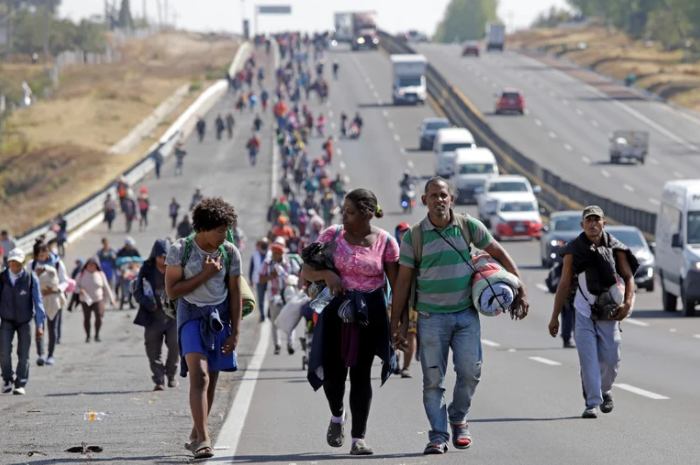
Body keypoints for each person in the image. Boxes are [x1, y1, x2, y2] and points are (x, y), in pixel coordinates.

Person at [391, 177, 530, 455]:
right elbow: (403, 283)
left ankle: (458, 416)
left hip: (465, 314)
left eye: (443, 195)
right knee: (433, 380)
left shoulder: (469, 226)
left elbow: (498, 252)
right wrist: (398, 323)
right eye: (433, 196)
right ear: (424, 201)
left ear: (451, 198)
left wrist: (521, 287)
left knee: (470, 373)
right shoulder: (414, 236)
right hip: (431, 318)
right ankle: (438, 435)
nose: (438, 200)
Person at [301, 189, 400, 456]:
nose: (344, 216)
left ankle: (359, 438)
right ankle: (337, 416)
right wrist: (326, 275)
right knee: (334, 377)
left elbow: (396, 285)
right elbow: (306, 270)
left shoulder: (387, 242)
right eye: (343, 210)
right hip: (335, 313)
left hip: (368, 315)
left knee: (360, 375)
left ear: (368, 213)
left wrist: (398, 322)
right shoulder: (332, 235)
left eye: (350, 211)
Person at [165, 197, 243, 460]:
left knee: (211, 379)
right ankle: (205, 439)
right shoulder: (180, 249)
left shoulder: (230, 252)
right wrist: (205, 275)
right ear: (203, 228)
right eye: (219, 230)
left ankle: (196, 432)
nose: (224, 235)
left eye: (226, 229)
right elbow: (172, 291)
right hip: (191, 317)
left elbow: (234, 294)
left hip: (219, 318)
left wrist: (235, 332)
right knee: (199, 375)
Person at [549, 206, 637, 419]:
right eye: (588, 220)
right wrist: (554, 317)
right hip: (583, 312)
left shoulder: (616, 247)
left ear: (603, 223)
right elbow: (564, 283)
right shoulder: (573, 249)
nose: (592, 224)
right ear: (582, 224)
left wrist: (626, 304)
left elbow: (628, 277)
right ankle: (592, 403)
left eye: (596, 219)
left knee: (611, 358)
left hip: (609, 313)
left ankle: (605, 390)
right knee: (588, 359)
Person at [133, 239, 178, 391]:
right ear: (154, 256)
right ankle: (159, 378)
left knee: (175, 345)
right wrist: (148, 304)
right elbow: (137, 291)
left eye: (166, 257)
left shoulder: (176, 268)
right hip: (153, 317)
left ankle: (171, 374)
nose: (163, 261)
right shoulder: (146, 270)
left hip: (173, 317)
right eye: (160, 257)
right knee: (153, 349)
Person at [0, 249, 45, 395]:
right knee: (4, 351)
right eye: (13, 264)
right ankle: (7, 379)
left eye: (18, 264)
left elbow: (38, 302)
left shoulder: (30, 278)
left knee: (24, 353)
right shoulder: (2, 278)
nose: (15, 267)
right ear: (9, 264)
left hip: (25, 320)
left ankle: (20, 382)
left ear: (23, 263)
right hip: (6, 320)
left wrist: (39, 325)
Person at [28, 241, 69, 366]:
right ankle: (40, 354)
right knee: (39, 326)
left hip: (53, 299)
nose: (41, 258)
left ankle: (50, 355)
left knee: (52, 327)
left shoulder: (57, 263)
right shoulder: (32, 264)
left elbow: (64, 281)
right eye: (39, 255)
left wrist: (56, 289)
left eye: (43, 255)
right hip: (38, 299)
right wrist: (36, 275)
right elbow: (27, 279)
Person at [259, 242, 299, 354]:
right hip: (273, 295)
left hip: (288, 294)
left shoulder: (290, 262)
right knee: (275, 321)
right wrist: (272, 276)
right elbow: (260, 279)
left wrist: (292, 280)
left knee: (290, 320)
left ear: (281, 254)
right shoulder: (267, 263)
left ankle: (290, 344)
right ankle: (277, 345)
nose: (274, 255)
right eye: (273, 253)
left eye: (276, 253)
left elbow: (299, 275)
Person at [76, 257, 116, 343]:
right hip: (85, 300)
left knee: (99, 316)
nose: (91, 267)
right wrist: (80, 291)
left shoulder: (100, 274)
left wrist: (111, 298)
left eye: (93, 265)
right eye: (89, 265)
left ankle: (97, 334)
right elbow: (74, 286)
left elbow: (106, 286)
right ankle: (88, 336)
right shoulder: (82, 274)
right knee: (87, 318)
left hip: (98, 299)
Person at [249, 238, 270, 322]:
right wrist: (250, 279)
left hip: (269, 279)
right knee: (260, 298)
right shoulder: (255, 255)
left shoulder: (270, 254)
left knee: (270, 297)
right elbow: (251, 268)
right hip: (259, 280)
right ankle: (262, 315)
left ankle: (269, 312)